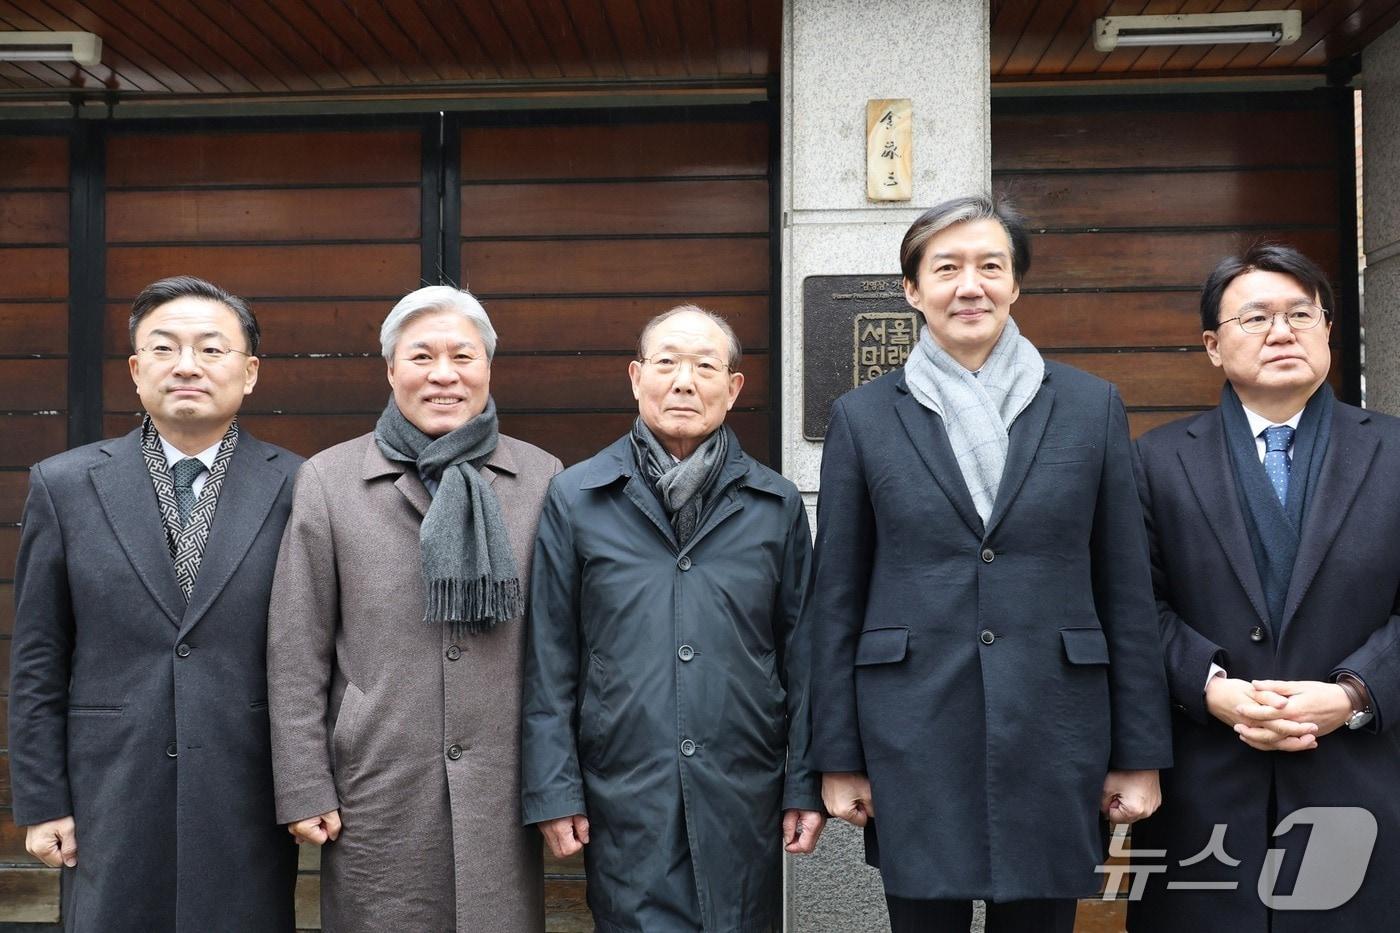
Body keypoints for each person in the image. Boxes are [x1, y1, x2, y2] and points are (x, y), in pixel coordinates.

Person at [804, 194, 1173, 932]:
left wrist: (1139, 753)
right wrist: (837, 754)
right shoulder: (865, 416)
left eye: (989, 266)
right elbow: (835, 597)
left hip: (1056, 724)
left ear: (1015, 284)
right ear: (913, 289)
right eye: (946, 267)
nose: (969, 284)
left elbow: (1126, 588)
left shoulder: (1089, 405)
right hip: (911, 727)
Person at [520, 305, 824, 933]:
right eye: (666, 364)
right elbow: (550, 657)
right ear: (636, 378)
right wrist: (555, 789)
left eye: (705, 366)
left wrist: (804, 783)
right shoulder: (578, 498)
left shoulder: (775, 504)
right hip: (624, 788)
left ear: (733, 389)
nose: (684, 381)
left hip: (743, 787)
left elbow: (805, 655)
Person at [8, 275, 299, 931]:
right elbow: (38, 657)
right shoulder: (65, 485)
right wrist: (41, 798)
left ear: (249, 372)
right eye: (164, 349)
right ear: (137, 370)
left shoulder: (300, 485)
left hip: (245, 789)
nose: (187, 366)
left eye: (211, 349)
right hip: (108, 788)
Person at [266, 286, 561, 932]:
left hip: (502, 793)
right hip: (376, 786)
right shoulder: (329, 480)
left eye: (463, 355)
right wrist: (304, 783)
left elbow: (564, 648)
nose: (444, 374)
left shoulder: (541, 479)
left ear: (487, 367)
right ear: (391, 369)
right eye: (422, 355)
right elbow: (296, 650)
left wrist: (561, 784)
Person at [1129, 244, 1400, 931]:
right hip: (1205, 791)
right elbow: (1131, 607)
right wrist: (1210, 688)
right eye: (1256, 318)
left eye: (1301, 314)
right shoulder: (1155, 461)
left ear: (1329, 330)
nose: (1283, 332)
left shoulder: (1394, 452)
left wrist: (1355, 692)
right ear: (1214, 346)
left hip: (1363, 782)